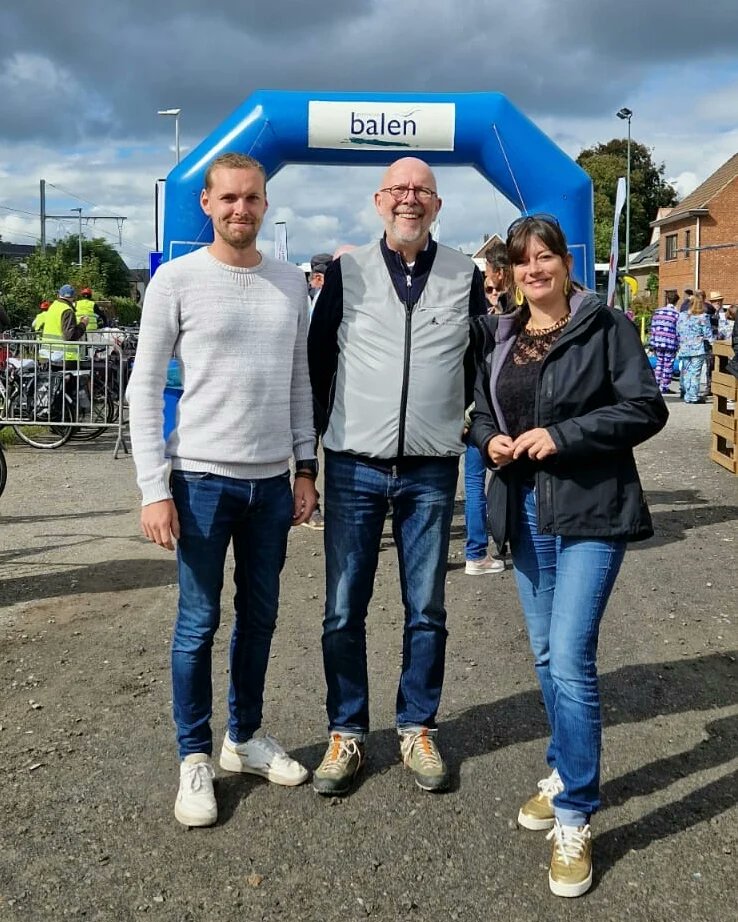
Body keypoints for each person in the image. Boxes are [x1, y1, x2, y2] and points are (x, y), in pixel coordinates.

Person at [470, 215, 667, 898]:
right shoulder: (504, 334)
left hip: (590, 509)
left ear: (565, 262)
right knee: (547, 655)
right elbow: (480, 411)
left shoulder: (606, 327)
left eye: (545, 257)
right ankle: (562, 768)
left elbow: (646, 408)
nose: (534, 271)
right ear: (510, 272)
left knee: (572, 656)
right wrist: (490, 438)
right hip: (525, 510)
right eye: (522, 262)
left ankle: (577, 811)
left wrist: (564, 435)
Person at [127, 152, 318, 828]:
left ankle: (244, 738)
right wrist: (154, 488)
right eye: (229, 198)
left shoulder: (291, 282)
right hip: (200, 480)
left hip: (270, 483)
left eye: (253, 198)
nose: (241, 209)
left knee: (260, 617)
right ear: (206, 204)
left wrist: (304, 467)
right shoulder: (176, 280)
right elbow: (143, 388)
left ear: (266, 204)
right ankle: (193, 758)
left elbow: (300, 380)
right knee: (198, 623)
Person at [308, 156, 487, 796]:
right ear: (379, 201)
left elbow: (476, 359)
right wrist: (321, 443)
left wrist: (458, 420)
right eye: (399, 190)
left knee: (427, 608)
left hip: (432, 467)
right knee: (341, 608)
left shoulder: (466, 273)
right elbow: (318, 357)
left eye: (423, 191)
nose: (410, 199)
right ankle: (347, 733)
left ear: (437, 206)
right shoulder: (346, 271)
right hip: (355, 463)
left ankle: (417, 726)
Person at [464, 240, 512, 575]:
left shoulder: (484, 312)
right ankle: (502, 540)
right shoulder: (519, 313)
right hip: (502, 409)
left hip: (474, 408)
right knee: (510, 477)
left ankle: (476, 549)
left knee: (473, 480)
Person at [677, 291, 713, 403]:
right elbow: (708, 334)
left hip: (684, 347)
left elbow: (678, 330)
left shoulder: (682, 316)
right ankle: (693, 396)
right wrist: (712, 343)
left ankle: (688, 395)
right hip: (698, 348)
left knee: (686, 372)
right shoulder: (703, 317)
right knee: (695, 373)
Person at [41, 285, 88, 362]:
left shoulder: (53, 307)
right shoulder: (67, 310)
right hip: (64, 357)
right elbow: (70, 336)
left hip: (48, 355)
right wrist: (83, 324)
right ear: (73, 297)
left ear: (59, 295)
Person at [648, 291, 680, 393]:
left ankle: (656, 383)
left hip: (658, 341)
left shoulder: (657, 312)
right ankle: (664, 386)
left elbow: (653, 327)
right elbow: (678, 329)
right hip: (670, 342)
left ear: (667, 299)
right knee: (668, 364)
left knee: (659, 362)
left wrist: (652, 341)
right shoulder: (677, 314)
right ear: (676, 302)